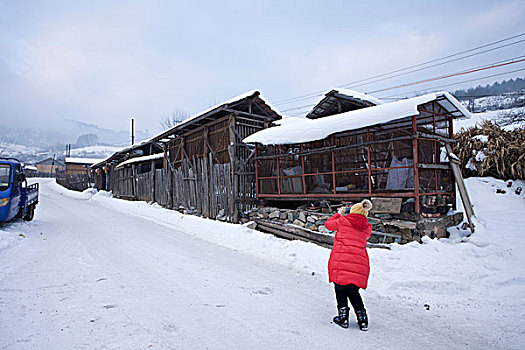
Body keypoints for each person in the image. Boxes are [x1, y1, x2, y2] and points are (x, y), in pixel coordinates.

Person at [324, 199, 373, 331]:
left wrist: (339, 214)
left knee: (340, 289)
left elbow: (328, 225)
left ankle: (343, 318)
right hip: (358, 263)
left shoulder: (343, 221)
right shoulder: (366, 228)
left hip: (342, 259)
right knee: (352, 291)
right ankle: (363, 321)